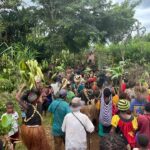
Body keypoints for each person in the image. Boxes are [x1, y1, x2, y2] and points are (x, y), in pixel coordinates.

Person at [16, 85, 50, 150]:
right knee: (37, 146)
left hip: (30, 131)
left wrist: (22, 87)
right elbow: (39, 95)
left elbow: (17, 97)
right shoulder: (40, 104)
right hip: (36, 130)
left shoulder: (27, 107)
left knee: (32, 146)